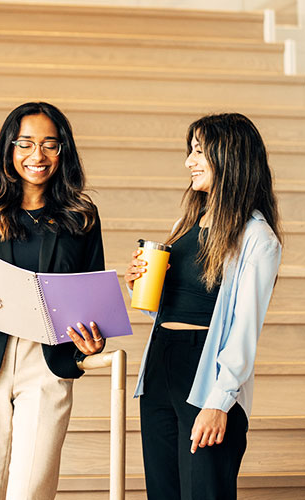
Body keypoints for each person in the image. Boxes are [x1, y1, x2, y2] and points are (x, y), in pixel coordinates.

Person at [125, 113, 282, 500]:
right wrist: (140, 288)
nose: (189, 162)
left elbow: (244, 330)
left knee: (203, 492)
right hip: (161, 362)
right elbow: (174, 306)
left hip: (207, 373)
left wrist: (220, 403)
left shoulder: (257, 238)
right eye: (190, 151)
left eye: (199, 152)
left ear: (230, 158)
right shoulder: (188, 221)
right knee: (163, 491)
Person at [0, 102, 105, 500]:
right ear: (9, 148)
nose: (37, 155)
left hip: (49, 362)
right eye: (26, 144)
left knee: (32, 487)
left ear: (63, 152)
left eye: (50, 145)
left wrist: (93, 341)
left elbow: (92, 302)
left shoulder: (82, 217)